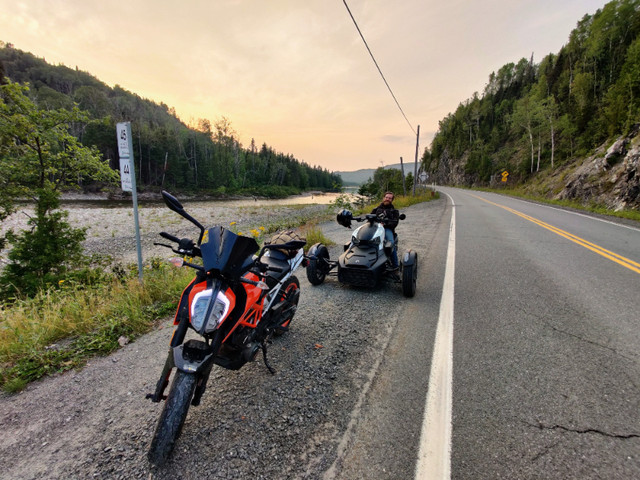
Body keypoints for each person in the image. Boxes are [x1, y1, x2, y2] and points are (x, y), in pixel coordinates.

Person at [370, 191, 400, 269]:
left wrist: (385, 224)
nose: (387, 199)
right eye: (386, 197)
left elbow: (395, 223)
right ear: (384, 198)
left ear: (392, 200)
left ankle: (395, 265)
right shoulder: (376, 209)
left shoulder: (395, 211)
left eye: (390, 198)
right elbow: (370, 218)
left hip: (387, 229)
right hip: (375, 228)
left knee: (390, 243)